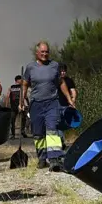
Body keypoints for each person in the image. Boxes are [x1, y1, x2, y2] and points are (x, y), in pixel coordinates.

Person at [21, 41, 74, 172]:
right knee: (38, 133)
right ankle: (42, 158)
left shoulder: (54, 65)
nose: (44, 54)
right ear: (37, 53)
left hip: (52, 103)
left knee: (52, 130)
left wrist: (69, 99)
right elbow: (25, 84)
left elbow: (61, 83)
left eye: (46, 52)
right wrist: (21, 102)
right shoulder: (30, 68)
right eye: (42, 52)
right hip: (36, 104)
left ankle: (54, 159)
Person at [57, 63, 77, 149]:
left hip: (66, 105)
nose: (63, 73)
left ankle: (61, 139)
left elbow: (73, 91)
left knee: (63, 124)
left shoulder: (69, 81)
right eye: (61, 71)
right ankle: (60, 140)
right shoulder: (56, 80)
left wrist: (72, 101)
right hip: (56, 105)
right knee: (57, 124)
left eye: (64, 71)